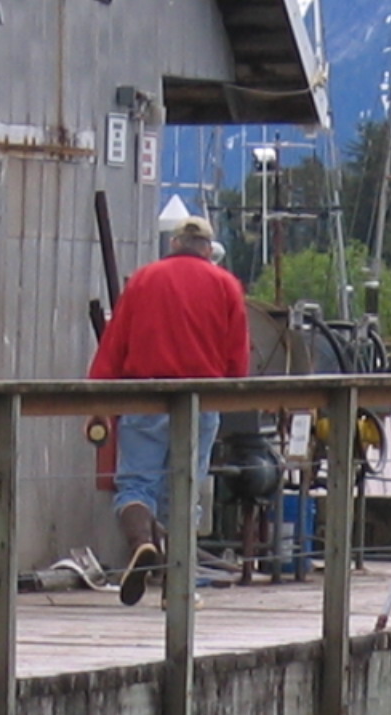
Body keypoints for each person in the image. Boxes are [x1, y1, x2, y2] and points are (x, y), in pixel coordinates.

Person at [86, 213, 251, 605]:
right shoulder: (226, 285)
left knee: (135, 485)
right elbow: (237, 361)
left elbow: (114, 345)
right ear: (208, 250)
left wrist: (96, 403)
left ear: (174, 243)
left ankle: (143, 543)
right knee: (184, 491)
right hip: (200, 401)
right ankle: (178, 588)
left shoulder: (143, 280)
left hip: (144, 396)